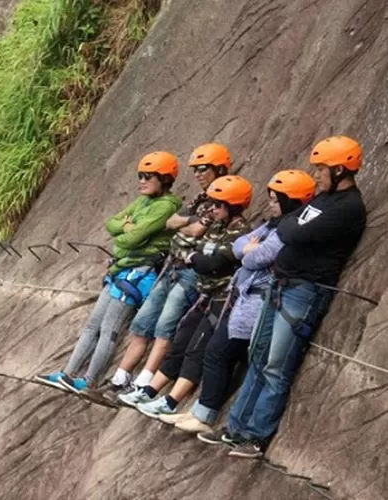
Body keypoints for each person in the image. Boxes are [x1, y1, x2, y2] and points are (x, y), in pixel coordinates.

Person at [198, 136, 367, 459]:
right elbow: (288, 224)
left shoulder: (348, 207)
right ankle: (235, 429)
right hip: (280, 285)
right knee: (258, 357)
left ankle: (256, 436)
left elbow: (289, 231)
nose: (316, 174)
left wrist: (289, 229)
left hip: (303, 291)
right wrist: (289, 228)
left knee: (276, 364)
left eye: (321, 168)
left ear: (341, 169)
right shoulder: (322, 200)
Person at [164, 170, 316, 434]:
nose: (270, 204)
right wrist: (247, 250)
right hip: (244, 297)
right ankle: (202, 411)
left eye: (275, 199)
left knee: (219, 352)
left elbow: (253, 256)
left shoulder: (289, 228)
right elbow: (240, 247)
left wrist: (247, 252)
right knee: (217, 352)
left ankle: (206, 415)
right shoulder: (272, 224)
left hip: (256, 300)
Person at [34, 151, 182, 395]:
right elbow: (112, 223)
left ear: (164, 179)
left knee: (110, 328)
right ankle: (68, 374)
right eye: (139, 176)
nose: (141, 181)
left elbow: (134, 238)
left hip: (138, 273)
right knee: (93, 324)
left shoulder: (166, 206)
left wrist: (126, 233)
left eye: (148, 176)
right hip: (122, 268)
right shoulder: (143, 201)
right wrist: (125, 229)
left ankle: (90, 381)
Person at [101, 144, 232, 397]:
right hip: (172, 265)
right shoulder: (199, 199)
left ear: (219, 168)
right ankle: (120, 378)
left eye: (203, 169)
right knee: (141, 324)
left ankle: (143, 386)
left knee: (165, 327)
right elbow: (172, 223)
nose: (198, 174)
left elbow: (194, 230)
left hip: (191, 271)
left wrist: (185, 224)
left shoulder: (223, 199)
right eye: (195, 169)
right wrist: (186, 223)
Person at [117, 175, 254, 418]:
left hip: (222, 296)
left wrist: (193, 258)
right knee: (181, 340)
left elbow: (213, 262)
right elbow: (180, 243)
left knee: (198, 347)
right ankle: (148, 391)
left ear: (232, 206)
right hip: (205, 293)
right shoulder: (215, 224)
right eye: (212, 203)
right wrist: (195, 256)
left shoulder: (240, 232)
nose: (213, 209)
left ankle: (170, 402)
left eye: (218, 205)